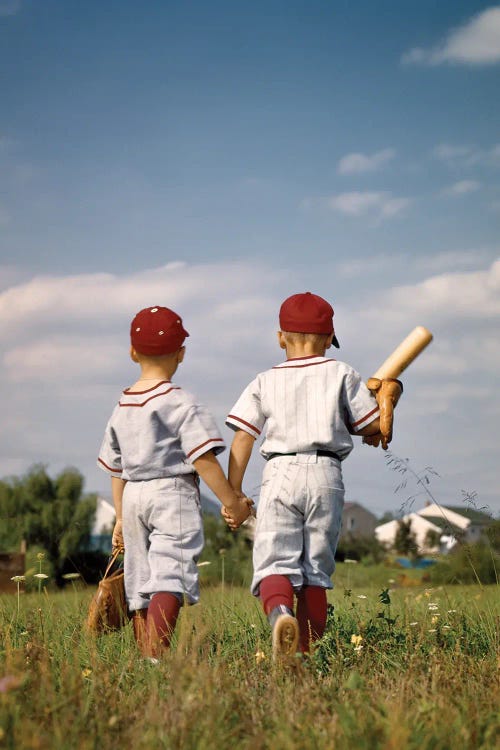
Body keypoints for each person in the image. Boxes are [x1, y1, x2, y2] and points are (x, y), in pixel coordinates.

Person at [223, 292, 401, 660]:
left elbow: (242, 437)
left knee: (275, 564)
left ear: (280, 337)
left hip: (280, 472)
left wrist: (235, 493)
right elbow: (372, 429)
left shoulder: (264, 380)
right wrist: (389, 398)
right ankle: (304, 654)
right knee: (315, 572)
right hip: (326, 473)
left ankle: (280, 617)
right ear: (327, 340)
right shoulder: (342, 373)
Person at [97, 305, 251, 659]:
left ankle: (147, 659)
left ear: (133, 352)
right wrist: (232, 502)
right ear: (181, 353)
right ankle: (157, 654)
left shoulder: (122, 405)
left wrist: (120, 516)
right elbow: (203, 459)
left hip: (133, 495)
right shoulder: (181, 402)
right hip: (172, 493)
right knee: (170, 572)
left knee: (138, 579)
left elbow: (116, 468)